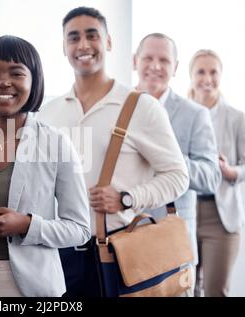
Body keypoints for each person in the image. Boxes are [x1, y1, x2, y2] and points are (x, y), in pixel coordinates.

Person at [37, 7, 189, 297]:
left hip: (120, 253)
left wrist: (127, 198)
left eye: (92, 35)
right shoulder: (48, 113)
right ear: (64, 47)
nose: (83, 45)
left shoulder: (141, 106)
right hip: (60, 256)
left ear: (108, 42)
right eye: (74, 37)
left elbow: (178, 176)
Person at [0, 35, 91, 297]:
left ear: (34, 82)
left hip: (32, 286)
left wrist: (26, 225)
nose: (3, 81)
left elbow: (80, 230)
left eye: (16, 73)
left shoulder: (57, 144)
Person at [134, 33, 221, 294]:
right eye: (148, 58)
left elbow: (210, 177)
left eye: (164, 60)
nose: (156, 66)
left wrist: (166, 157)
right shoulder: (115, 106)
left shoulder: (195, 114)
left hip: (173, 247)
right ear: (134, 61)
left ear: (176, 67)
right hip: (123, 242)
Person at [188, 49, 245, 297]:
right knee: (185, 289)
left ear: (221, 75)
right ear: (190, 76)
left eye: (213, 72)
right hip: (183, 213)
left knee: (216, 291)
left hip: (220, 217)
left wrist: (229, 171)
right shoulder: (181, 114)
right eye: (200, 72)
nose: (207, 78)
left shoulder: (237, 119)